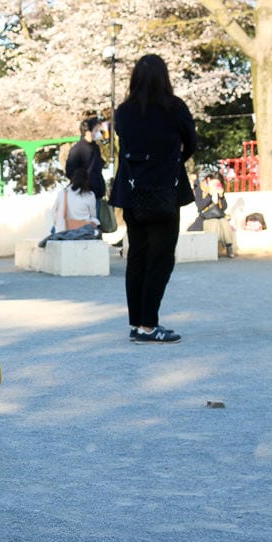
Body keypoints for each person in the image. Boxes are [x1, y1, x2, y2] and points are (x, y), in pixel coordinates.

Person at [109, 54, 196, 344]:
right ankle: (149, 325)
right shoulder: (174, 108)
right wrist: (173, 157)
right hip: (164, 193)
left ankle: (137, 324)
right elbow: (191, 143)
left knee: (137, 256)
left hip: (132, 194)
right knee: (161, 259)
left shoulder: (123, 112)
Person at [65, 117, 107, 221]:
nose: (99, 133)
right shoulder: (77, 149)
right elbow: (70, 171)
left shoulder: (95, 147)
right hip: (85, 194)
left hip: (97, 193)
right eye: (96, 130)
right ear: (88, 132)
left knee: (96, 224)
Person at [192, 172, 235, 257]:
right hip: (205, 217)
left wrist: (221, 196)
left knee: (224, 222)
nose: (216, 185)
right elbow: (200, 206)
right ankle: (213, 248)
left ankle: (229, 247)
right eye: (214, 183)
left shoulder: (219, 189)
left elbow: (223, 208)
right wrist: (210, 195)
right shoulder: (200, 189)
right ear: (208, 180)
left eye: (218, 183)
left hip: (218, 216)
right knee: (214, 222)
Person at [49, 168, 97, 233]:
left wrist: (58, 223)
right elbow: (93, 215)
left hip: (64, 231)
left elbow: (53, 211)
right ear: (86, 180)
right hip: (83, 231)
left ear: (72, 179)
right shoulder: (90, 195)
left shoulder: (62, 193)